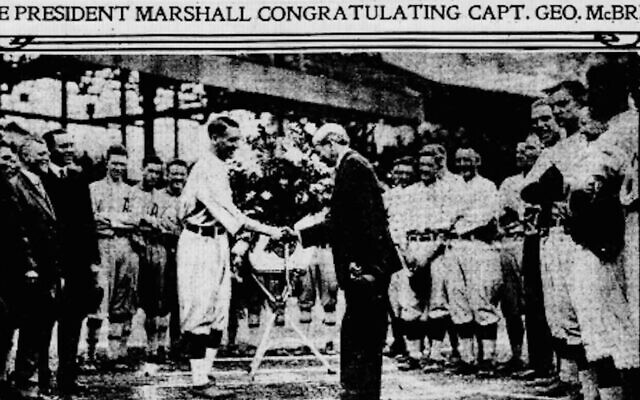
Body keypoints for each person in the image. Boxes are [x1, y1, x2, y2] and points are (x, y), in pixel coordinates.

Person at [177, 115, 286, 397]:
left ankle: (205, 374)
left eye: (238, 140)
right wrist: (271, 231)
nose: (236, 145)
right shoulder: (206, 167)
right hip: (198, 242)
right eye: (231, 140)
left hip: (217, 241)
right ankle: (198, 382)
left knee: (219, 311)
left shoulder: (219, 167)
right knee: (200, 309)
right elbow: (233, 216)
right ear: (215, 138)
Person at [297, 123, 402, 400]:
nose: (319, 156)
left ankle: (359, 391)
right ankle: (357, 389)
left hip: (365, 264)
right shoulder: (353, 165)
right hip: (365, 262)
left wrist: (300, 235)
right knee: (359, 328)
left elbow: (355, 222)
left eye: (320, 149)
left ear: (332, 143)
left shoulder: (353, 166)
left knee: (362, 330)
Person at [41, 129, 101, 394]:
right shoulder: (40, 179)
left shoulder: (78, 178)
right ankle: (42, 379)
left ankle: (67, 379)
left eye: (71, 145)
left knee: (73, 322)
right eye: (62, 146)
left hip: (77, 265)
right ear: (49, 149)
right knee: (44, 323)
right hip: (50, 263)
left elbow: (87, 223)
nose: (69, 150)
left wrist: (93, 261)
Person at [11, 138, 61, 399]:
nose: (46, 157)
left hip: (48, 269)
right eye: (41, 153)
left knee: (41, 327)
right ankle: (25, 385)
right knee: (31, 327)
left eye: (47, 153)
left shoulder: (42, 183)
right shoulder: (16, 186)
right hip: (32, 272)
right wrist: (29, 266)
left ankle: (33, 384)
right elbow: (18, 231)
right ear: (26, 156)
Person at [447, 147, 501, 374]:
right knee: (458, 301)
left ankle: (487, 358)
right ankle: (467, 358)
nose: (463, 165)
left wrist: (460, 217)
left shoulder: (487, 186)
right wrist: (459, 217)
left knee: (481, 299)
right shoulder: (453, 186)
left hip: (478, 245)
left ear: (477, 161)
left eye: (467, 160)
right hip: (455, 245)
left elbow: (485, 218)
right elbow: (446, 216)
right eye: (459, 161)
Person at [88, 144, 140, 365]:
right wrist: (119, 220)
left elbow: (136, 219)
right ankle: (90, 353)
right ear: (106, 163)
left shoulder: (132, 191)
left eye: (122, 164)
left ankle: (116, 352)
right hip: (103, 246)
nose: (118, 168)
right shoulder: (94, 188)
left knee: (123, 297)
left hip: (125, 246)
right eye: (115, 163)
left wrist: (109, 219)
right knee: (99, 296)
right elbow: (92, 218)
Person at [496, 142, 536, 373]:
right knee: (510, 302)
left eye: (526, 150)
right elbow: (501, 215)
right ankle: (517, 353)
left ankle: (537, 357)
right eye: (518, 151)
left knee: (532, 300)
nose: (520, 155)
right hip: (509, 241)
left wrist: (518, 213)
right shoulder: (509, 182)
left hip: (529, 240)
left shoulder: (541, 178)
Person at [0, 140, 35, 400]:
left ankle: (3, 377)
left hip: (9, 269)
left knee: (6, 325)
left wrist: (27, 265)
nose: (9, 163)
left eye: (12, 159)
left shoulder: (11, 190)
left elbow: (18, 232)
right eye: (3, 158)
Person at [132, 155, 175, 363]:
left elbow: (168, 224)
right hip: (135, 247)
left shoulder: (162, 197)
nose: (154, 176)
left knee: (158, 298)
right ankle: (123, 348)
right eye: (150, 171)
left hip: (157, 247)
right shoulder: (131, 193)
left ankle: (156, 346)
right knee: (135, 298)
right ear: (142, 169)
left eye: (158, 172)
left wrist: (157, 225)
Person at [382, 156, 416, 359]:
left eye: (407, 173)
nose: (402, 177)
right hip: (391, 250)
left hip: (412, 250)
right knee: (392, 299)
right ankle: (398, 340)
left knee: (410, 298)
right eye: (398, 173)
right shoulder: (388, 196)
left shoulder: (417, 194)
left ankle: (416, 346)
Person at [161, 158, 188, 359]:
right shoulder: (159, 197)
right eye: (174, 173)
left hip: (187, 252)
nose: (178, 178)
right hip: (165, 250)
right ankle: (161, 345)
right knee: (165, 299)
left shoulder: (190, 196)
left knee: (184, 298)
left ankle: (180, 344)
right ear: (167, 175)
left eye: (182, 174)